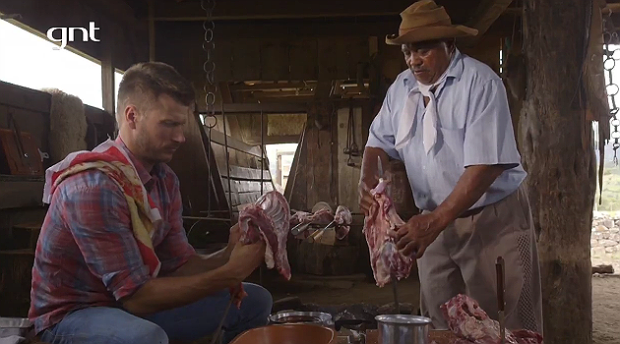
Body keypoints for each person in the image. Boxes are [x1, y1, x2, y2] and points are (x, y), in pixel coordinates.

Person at [29, 61, 271, 344]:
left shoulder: (164, 180)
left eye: (182, 125)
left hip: (127, 306)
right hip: (74, 314)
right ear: (132, 116)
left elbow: (179, 264)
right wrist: (231, 272)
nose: (180, 137)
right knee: (145, 338)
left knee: (255, 301)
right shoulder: (95, 185)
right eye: (168, 124)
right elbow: (137, 298)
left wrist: (228, 253)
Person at [358, 0, 543, 333]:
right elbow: (377, 142)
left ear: (450, 45)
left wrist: (434, 221)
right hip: (432, 226)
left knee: (501, 324)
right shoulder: (402, 90)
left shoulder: (480, 84)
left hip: (490, 220)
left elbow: (486, 167)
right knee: (440, 323)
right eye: (407, 52)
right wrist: (367, 176)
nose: (413, 60)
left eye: (424, 50)